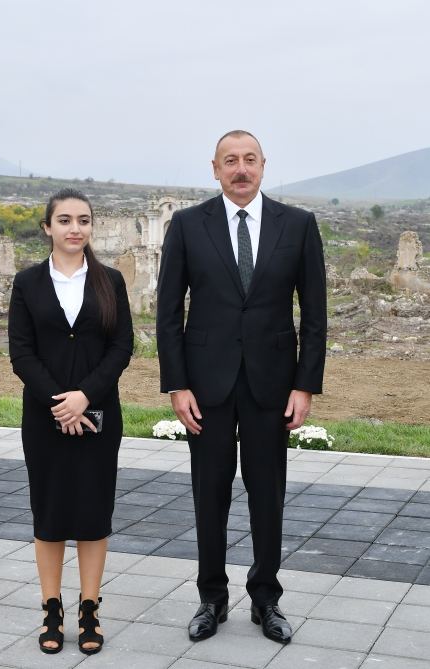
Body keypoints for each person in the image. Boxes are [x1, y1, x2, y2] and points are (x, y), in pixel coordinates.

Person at [156, 130, 326, 645]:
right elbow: (168, 314)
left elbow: (315, 316)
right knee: (210, 494)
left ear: (264, 165)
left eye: (249, 159)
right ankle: (212, 597)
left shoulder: (297, 225)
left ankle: (266, 598)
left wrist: (305, 386)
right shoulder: (187, 225)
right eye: (230, 161)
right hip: (205, 386)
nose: (240, 168)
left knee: (266, 494)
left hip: (272, 385)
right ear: (214, 169)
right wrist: (176, 384)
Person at [8, 188, 133, 655]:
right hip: (44, 418)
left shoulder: (111, 281)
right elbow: (21, 352)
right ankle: (52, 608)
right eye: (64, 220)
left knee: (94, 514)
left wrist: (85, 396)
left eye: (83, 220)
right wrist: (60, 402)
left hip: (99, 413)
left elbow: (122, 347)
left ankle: (89, 609)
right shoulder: (27, 283)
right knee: (51, 513)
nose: (74, 228)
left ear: (92, 227)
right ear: (47, 227)